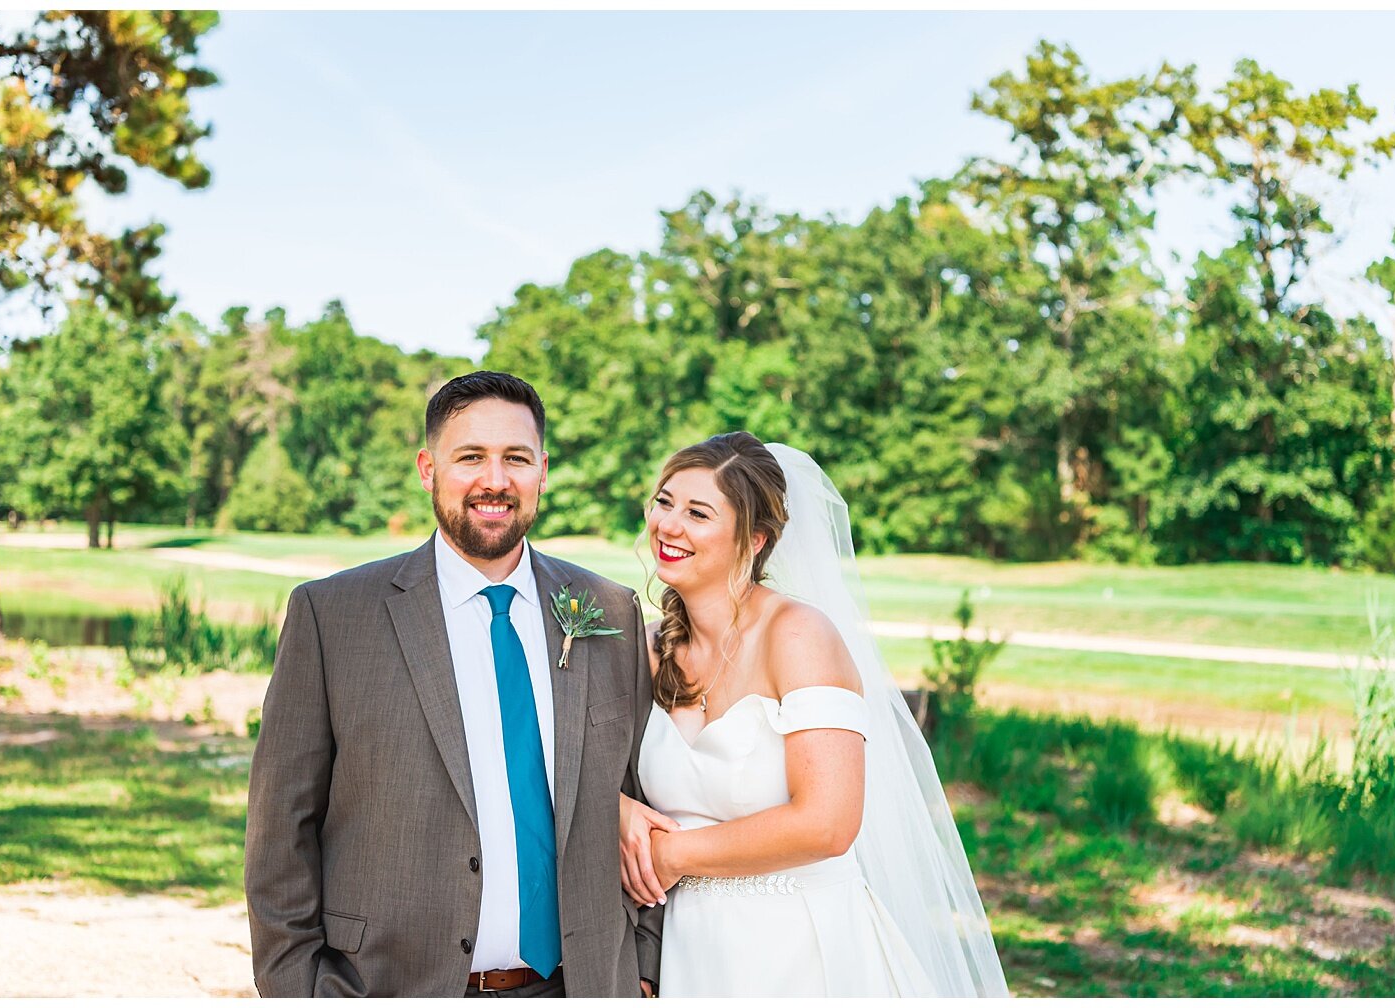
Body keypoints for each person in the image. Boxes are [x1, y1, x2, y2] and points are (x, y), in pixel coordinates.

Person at [245, 371, 662, 997]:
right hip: (389, 985)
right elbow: (281, 827)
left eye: (515, 458)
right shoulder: (333, 616)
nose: (494, 480)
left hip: (584, 986)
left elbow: (645, 797)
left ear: (542, 470)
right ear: (427, 468)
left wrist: (645, 973)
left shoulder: (610, 610)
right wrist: (298, 989)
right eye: (470, 457)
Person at [618, 432, 1007, 997]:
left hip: (800, 947)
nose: (669, 525)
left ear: (754, 539)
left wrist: (673, 853)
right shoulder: (647, 649)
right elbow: (591, 768)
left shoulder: (799, 636)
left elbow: (828, 823)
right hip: (687, 949)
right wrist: (618, 810)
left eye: (698, 512)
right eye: (665, 502)